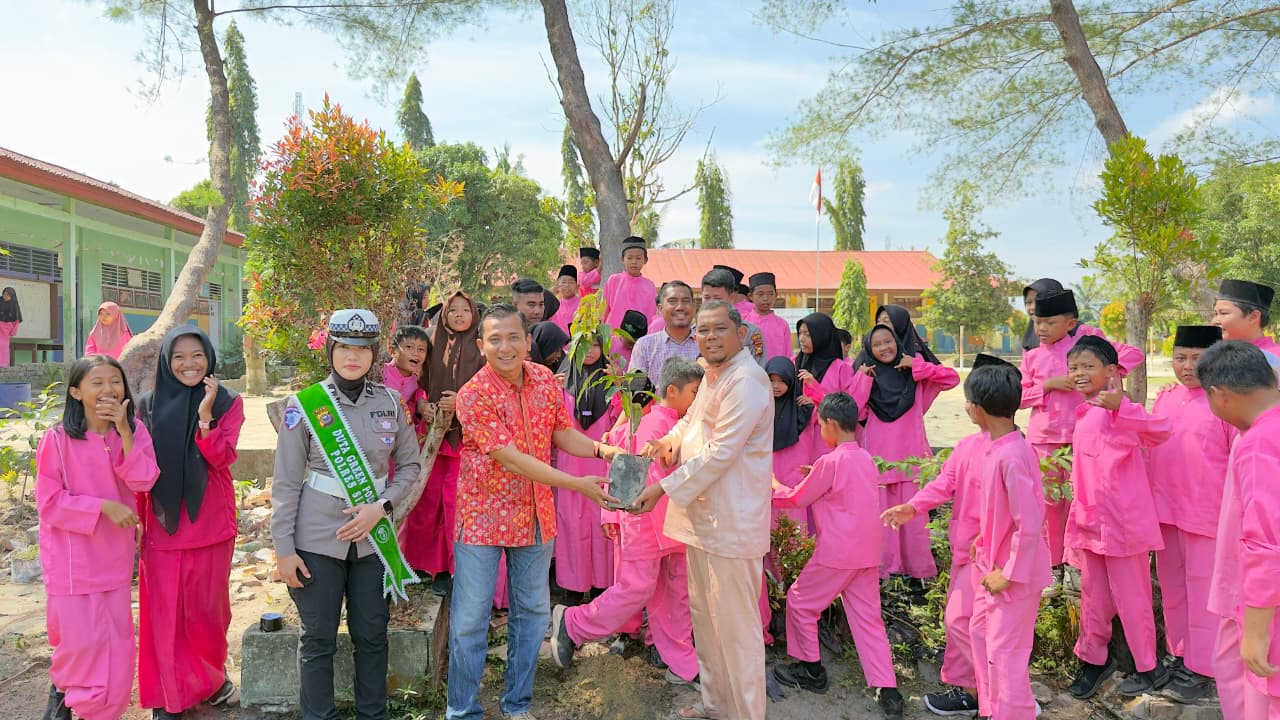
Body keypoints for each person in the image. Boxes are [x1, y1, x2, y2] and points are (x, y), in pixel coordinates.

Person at [446, 304, 625, 720]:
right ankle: (461, 711)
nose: (505, 347)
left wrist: (602, 449)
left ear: (529, 341)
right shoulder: (473, 395)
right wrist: (577, 484)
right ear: (481, 345)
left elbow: (561, 433)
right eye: (495, 339)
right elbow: (511, 459)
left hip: (535, 516)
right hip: (482, 520)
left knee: (532, 615)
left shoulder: (545, 379)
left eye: (513, 338)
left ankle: (517, 705)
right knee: (471, 621)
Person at [271, 309, 422, 720]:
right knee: (318, 639)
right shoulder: (304, 405)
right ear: (332, 351)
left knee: (372, 635)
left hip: (373, 539)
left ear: (374, 353)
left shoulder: (391, 402)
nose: (352, 357)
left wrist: (383, 506)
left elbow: (409, 465)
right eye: (344, 348)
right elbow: (285, 482)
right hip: (317, 538)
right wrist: (284, 550)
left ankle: (372, 715)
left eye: (362, 349)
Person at [635, 300, 773, 720]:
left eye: (718, 329)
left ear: (740, 333)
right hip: (704, 520)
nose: (709, 337)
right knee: (707, 623)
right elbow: (690, 421)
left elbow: (720, 452)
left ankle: (746, 714)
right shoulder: (715, 375)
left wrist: (662, 487)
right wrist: (668, 443)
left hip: (732, 523)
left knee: (736, 631)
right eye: (703, 330)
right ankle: (717, 707)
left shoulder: (746, 380)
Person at [551, 356, 704, 688]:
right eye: (695, 391)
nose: (699, 398)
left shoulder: (681, 424)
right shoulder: (649, 424)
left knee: (675, 593)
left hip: (676, 524)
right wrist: (615, 514)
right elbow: (621, 471)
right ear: (673, 391)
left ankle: (680, 659)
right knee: (638, 588)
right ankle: (574, 623)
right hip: (646, 523)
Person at [880, 354, 1011, 717]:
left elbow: (1027, 519)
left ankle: (999, 699)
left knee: (989, 634)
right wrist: (913, 507)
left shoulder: (1015, 452)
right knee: (957, 622)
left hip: (998, 562)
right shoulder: (968, 447)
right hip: (964, 554)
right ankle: (971, 690)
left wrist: (1006, 560)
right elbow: (945, 483)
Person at [36, 355, 160, 720]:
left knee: (117, 647)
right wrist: (104, 507)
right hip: (72, 563)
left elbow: (144, 480)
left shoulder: (133, 431)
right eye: (97, 382)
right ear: (76, 392)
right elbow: (49, 503)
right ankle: (67, 706)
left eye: (115, 381)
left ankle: (106, 713)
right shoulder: (56, 441)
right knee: (80, 645)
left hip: (115, 560)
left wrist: (125, 432)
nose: (109, 389)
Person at [771, 392, 906, 720]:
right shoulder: (863, 457)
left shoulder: (829, 462)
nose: (819, 430)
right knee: (868, 620)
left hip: (837, 553)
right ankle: (888, 690)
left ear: (830, 424)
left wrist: (773, 484)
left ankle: (811, 671)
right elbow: (836, 488)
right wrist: (815, 472)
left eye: (819, 425)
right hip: (867, 553)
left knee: (801, 602)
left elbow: (797, 498)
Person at [134, 326, 242, 718]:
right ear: (166, 361)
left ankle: (210, 682)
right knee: (163, 616)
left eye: (196, 355)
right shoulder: (145, 406)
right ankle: (168, 696)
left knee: (208, 615)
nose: (188, 364)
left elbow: (222, 458)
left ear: (209, 357)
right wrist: (136, 518)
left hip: (211, 525)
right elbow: (139, 467)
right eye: (178, 356)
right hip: (163, 525)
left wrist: (205, 418)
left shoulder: (228, 401)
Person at [1062, 335, 1172, 699]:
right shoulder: (1084, 413)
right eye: (1074, 367)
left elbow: (1161, 430)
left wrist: (1121, 405)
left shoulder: (1122, 412)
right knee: (1093, 596)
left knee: (1133, 598)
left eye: (1088, 367)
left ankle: (1148, 667)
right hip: (1090, 523)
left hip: (1124, 525)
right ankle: (1093, 660)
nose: (1079, 373)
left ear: (1111, 372)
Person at [1020, 289, 1143, 598]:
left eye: (1049, 322)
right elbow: (1018, 396)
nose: (1042, 329)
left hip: (1083, 440)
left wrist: (1098, 371)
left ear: (1071, 322)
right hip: (1043, 442)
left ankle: (1077, 568)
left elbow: (1132, 355)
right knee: (1049, 507)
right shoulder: (1032, 356)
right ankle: (1053, 569)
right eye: (1037, 322)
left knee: (1081, 504)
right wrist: (1046, 386)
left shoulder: (1085, 344)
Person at [1147, 325, 1234, 703]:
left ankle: (1203, 667)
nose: (1187, 366)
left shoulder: (1227, 402)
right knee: (1173, 588)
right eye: (1180, 357)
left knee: (1204, 593)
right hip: (1164, 510)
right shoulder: (1165, 399)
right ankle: (1179, 654)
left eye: (1197, 359)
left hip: (1208, 514)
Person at [962, 362, 1052, 720]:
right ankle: (992, 709)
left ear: (978, 408)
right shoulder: (999, 447)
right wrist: (986, 536)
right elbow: (1008, 512)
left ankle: (1012, 712)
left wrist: (1009, 573)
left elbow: (1029, 523)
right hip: (993, 563)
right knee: (982, 635)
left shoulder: (1012, 455)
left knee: (1006, 653)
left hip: (1013, 575)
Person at [1198, 341, 1280, 720]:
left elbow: (1267, 541)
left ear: (1220, 395)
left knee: (1260, 697)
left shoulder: (1260, 443)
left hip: (1265, 603)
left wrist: (1257, 632)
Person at [854, 322, 959, 579]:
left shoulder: (914, 375)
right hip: (880, 460)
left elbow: (951, 378)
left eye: (888, 342)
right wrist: (862, 379)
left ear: (898, 343)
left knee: (914, 519)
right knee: (885, 519)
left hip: (911, 458)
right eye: (876, 345)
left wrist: (917, 366)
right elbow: (854, 410)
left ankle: (919, 573)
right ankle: (886, 572)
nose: (883, 348)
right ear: (869, 349)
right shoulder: (868, 377)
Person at [404, 291, 484, 596]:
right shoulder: (431, 342)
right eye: (454, 310)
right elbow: (415, 384)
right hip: (431, 437)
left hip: (466, 439)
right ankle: (423, 564)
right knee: (426, 501)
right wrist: (423, 405)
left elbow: (491, 388)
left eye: (466, 310)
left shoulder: (481, 347)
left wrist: (462, 402)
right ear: (444, 314)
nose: (460, 315)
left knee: (455, 503)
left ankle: (452, 568)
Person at [554, 331, 621, 599]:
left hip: (603, 464)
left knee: (600, 522)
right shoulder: (562, 384)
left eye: (596, 345)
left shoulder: (612, 383)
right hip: (571, 466)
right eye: (585, 346)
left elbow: (622, 419)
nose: (591, 351)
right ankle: (572, 586)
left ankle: (601, 586)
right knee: (571, 523)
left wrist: (619, 385)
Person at [766, 357, 819, 532]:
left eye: (781, 380)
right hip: (767, 477)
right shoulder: (761, 408)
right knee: (769, 530)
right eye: (771, 380)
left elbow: (829, 417)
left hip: (794, 479)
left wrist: (815, 397)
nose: (776, 385)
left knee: (795, 532)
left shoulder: (804, 409)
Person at [629, 281, 700, 381]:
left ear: (693, 307)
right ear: (660, 309)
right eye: (672, 301)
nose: (680, 307)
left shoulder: (705, 345)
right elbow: (635, 391)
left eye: (685, 301)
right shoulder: (645, 346)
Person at [701, 269, 767, 366]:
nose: (711, 303)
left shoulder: (751, 333)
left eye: (717, 298)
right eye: (706, 298)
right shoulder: (695, 332)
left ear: (732, 298)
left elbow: (757, 369)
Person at [1211, 279, 1280, 365]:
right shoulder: (1212, 357)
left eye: (1224, 313)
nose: (1214, 321)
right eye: (1215, 314)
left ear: (1253, 317)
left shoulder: (1275, 357)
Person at [795, 313, 858, 404]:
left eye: (808, 334)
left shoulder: (841, 368)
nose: (801, 339)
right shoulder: (797, 362)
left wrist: (817, 396)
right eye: (800, 333)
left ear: (822, 336)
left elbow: (846, 406)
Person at [382, 325, 429, 438]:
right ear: (393, 351)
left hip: (400, 435)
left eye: (421, 349)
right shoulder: (380, 373)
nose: (416, 353)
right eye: (409, 347)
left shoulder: (418, 382)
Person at [603, 236, 658, 328]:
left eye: (638, 258)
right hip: (614, 336)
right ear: (622, 259)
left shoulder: (649, 285)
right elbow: (603, 310)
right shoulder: (613, 280)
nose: (634, 262)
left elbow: (652, 314)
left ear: (645, 260)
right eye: (629, 258)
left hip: (640, 338)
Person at [745, 272, 792, 361]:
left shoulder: (782, 324)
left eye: (770, 294)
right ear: (750, 296)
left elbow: (788, 354)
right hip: (750, 372)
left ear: (776, 295)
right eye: (760, 294)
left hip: (776, 372)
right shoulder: (744, 322)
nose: (766, 298)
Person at [1021, 279, 1064, 354]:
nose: (1032, 307)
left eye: (1039, 301)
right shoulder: (1030, 340)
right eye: (1028, 302)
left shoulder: (1080, 334)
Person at [550, 264, 581, 334]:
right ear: (558, 285)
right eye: (563, 282)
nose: (567, 285)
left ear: (577, 286)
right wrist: (551, 294)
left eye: (571, 282)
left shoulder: (583, 303)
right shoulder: (554, 306)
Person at [0, 286, 22, 367]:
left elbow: (16, 320)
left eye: (7, 295)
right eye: (4, 294)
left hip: (6, 329)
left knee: (3, 346)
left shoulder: (14, 305)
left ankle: (3, 364)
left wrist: (13, 331)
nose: (5, 296)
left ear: (12, 296)